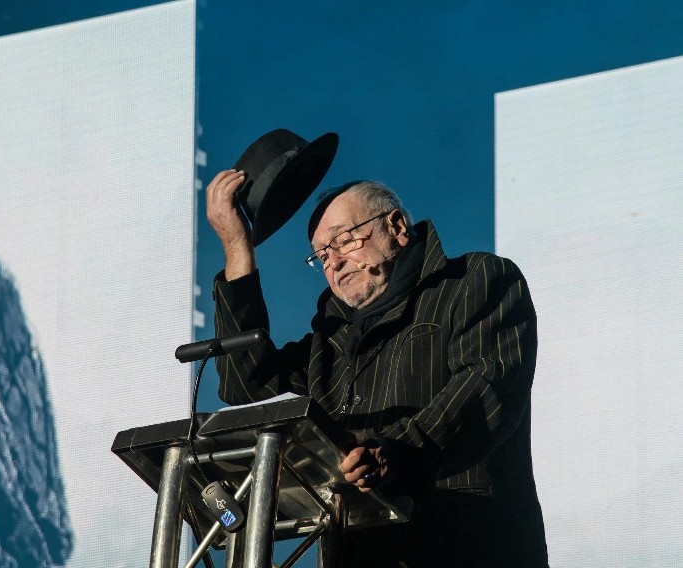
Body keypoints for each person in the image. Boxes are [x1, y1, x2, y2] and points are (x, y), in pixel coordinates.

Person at [206, 168, 548, 567]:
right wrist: (236, 245)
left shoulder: (474, 280)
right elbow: (245, 383)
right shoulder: (328, 340)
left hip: (467, 544)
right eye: (320, 256)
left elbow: (487, 381)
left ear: (397, 226)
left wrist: (401, 450)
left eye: (343, 240)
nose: (333, 262)